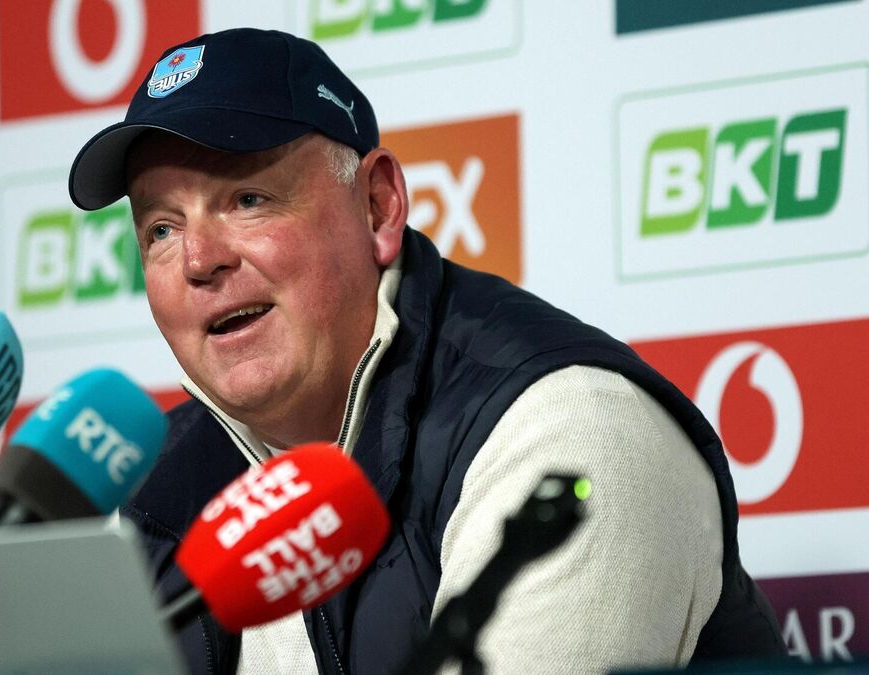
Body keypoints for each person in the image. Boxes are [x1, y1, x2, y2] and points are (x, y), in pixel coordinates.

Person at [67, 27, 785, 674]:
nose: (199, 259)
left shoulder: (568, 431)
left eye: (247, 200)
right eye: (161, 229)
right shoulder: (156, 491)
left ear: (378, 206)